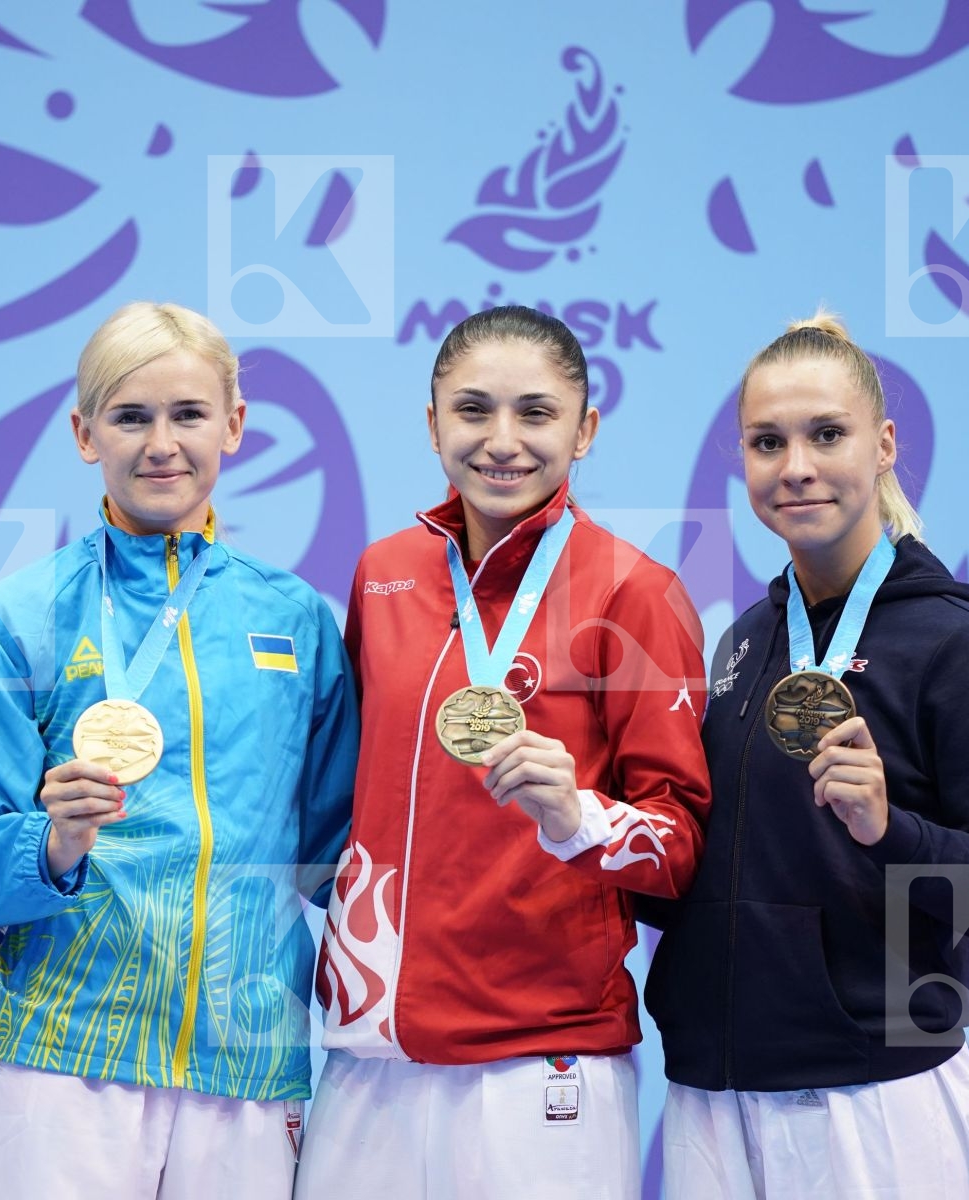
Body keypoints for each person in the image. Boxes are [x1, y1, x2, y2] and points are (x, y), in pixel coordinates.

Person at [294, 306, 713, 1200]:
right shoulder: (385, 572)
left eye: (536, 413)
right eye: (474, 410)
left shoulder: (636, 592)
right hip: (373, 1047)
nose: (503, 441)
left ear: (585, 429)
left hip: (540, 1050)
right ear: (434, 420)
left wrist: (578, 816)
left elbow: (681, 849)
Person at [0, 301, 359, 1199]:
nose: (161, 443)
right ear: (85, 432)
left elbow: (333, 859)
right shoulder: (18, 615)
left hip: (245, 1059)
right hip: (59, 1059)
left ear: (235, 427)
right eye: (131, 417)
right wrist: (49, 846)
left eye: (188, 414)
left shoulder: (296, 621)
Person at [643, 312, 969, 1198]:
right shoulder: (748, 641)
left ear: (885, 444)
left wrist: (889, 827)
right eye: (767, 441)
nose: (796, 467)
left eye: (827, 434)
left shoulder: (959, 645)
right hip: (714, 1084)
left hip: (872, 1091)